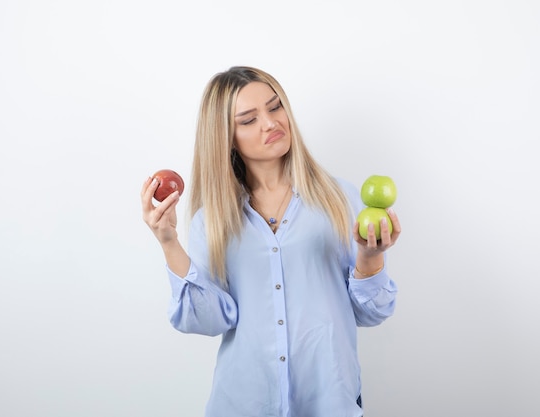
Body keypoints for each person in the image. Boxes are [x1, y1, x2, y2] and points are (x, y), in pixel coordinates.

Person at [141, 66, 401, 417]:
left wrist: (370, 256)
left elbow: (371, 312)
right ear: (225, 136)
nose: (270, 123)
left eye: (275, 107)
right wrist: (169, 241)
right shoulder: (213, 220)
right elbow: (210, 320)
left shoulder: (340, 199)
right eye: (248, 120)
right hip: (242, 403)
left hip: (329, 401)